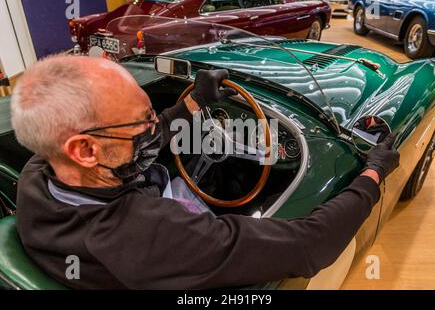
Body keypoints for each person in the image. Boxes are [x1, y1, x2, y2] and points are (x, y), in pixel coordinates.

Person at [11, 55, 399, 289]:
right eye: (142, 122)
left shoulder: (39, 172)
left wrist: (193, 103)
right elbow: (310, 245)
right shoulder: (151, 236)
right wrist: (372, 176)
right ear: (85, 150)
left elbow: (134, 144)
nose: (155, 125)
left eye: (152, 112)